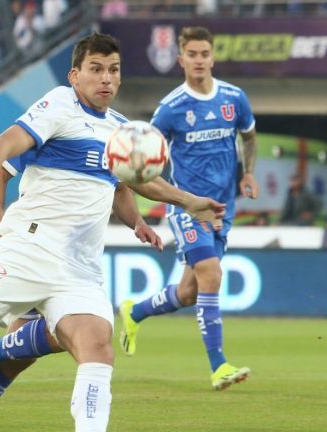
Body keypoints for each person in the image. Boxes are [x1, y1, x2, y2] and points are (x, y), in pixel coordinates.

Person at [0, 32, 225, 432]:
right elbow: (1, 148)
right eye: (95, 69)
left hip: (80, 269)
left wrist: (182, 204)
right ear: (75, 75)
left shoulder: (121, 131)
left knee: (96, 346)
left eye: (113, 70)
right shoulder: (57, 106)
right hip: (27, 251)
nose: (106, 78)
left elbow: (133, 184)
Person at [0, 150, 168, 432]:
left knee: (35, 353)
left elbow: (120, 188)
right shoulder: (49, 122)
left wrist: (137, 222)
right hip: (30, 252)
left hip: (74, 266)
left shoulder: (111, 135)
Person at [118, 26, 258, 390]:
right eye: (192, 54)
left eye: (204, 54)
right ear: (181, 60)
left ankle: (134, 312)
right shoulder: (170, 109)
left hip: (222, 209)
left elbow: (249, 135)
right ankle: (219, 366)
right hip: (186, 207)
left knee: (189, 293)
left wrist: (249, 174)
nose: (199, 60)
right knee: (211, 273)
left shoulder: (234, 98)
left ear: (213, 57)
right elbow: (143, 153)